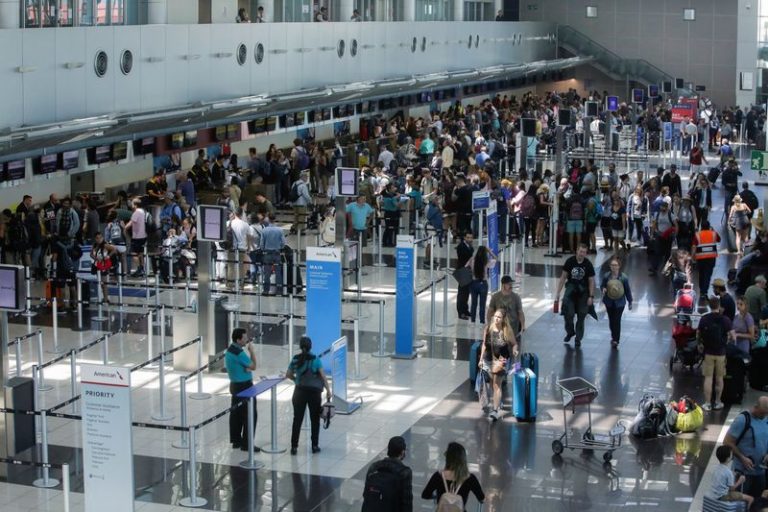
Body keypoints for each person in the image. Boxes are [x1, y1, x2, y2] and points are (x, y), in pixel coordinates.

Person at [286, 336, 332, 455]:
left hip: (299, 392)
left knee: (297, 419)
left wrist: (296, 380)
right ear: (311, 346)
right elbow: (323, 377)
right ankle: (314, 446)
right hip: (314, 393)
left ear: (300, 347)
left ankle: (294, 447)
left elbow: (288, 374)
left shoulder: (295, 359)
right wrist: (328, 390)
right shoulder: (315, 360)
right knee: (314, 420)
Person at [724, 396, 768, 498]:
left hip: (761, 471)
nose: (764, 416)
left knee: (757, 503)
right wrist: (742, 458)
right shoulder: (743, 420)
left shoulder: (766, 418)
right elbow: (727, 442)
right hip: (742, 473)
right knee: (740, 502)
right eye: (762, 413)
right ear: (755, 407)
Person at [479, 309, 519, 420]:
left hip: (501, 361)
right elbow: (484, 345)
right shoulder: (488, 329)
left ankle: (495, 410)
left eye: (499, 317)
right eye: (495, 316)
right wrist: (481, 359)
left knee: (497, 384)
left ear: (503, 319)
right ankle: (497, 402)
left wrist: (515, 350)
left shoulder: (506, 331)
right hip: (488, 360)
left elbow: (514, 344)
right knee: (493, 384)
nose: (496, 318)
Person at [698, 296, 735, 411]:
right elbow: (733, 336)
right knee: (719, 378)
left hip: (708, 353)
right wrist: (728, 341)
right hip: (721, 353)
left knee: (708, 378)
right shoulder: (726, 320)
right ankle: (718, 402)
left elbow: (698, 334)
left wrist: (701, 344)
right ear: (719, 306)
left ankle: (707, 403)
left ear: (709, 306)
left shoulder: (704, 319)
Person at [555, 243, 596, 348]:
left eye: (584, 252)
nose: (582, 254)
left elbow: (591, 281)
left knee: (582, 315)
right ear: (577, 251)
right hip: (571, 290)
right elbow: (563, 277)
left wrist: (591, 296)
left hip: (584, 292)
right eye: (580, 251)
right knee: (568, 313)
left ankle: (578, 338)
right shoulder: (570, 261)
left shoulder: (588, 264)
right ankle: (570, 332)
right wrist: (557, 293)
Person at [421, 442, 485, 509]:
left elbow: (425, 495)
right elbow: (481, 498)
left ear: (448, 458)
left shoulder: (438, 476)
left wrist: (437, 496)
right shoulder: (470, 478)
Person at [225, 328, 259, 452]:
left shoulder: (230, 350)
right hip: (245, 387)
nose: (247, 340)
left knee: (236, 414)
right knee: (251, 415)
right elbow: (254, 366)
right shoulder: (239, 353)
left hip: (234, 385)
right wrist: (252, 351)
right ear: (238, 340)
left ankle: (236, 440)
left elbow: (243, 367)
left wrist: (246, 368)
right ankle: (247, 444)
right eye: (244, 338)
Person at [362, 436, 413, 512]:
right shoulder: (404, 472)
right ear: (402, 452)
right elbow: (406, 503)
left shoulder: (374, 466)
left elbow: (366, 494)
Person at [600, 257, 633, 348]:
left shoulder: (623, 278)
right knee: (611, 320)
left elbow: (627, 290)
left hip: (620, 303)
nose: (613, 267)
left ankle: (616, 340)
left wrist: (630, 301)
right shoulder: (607, 276)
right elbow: (602, 285)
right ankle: (613, 336)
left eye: (615, 265)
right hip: (609, 301)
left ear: (619, 266)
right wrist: (603, 289)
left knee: (617, 320)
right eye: (612, 265)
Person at [486, 275, 525, 340]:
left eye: (511, 284)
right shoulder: (495, 297)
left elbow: (520, 312)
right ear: (503, 285)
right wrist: (489, 324)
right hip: (500, 327)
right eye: (509, 284)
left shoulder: (516, 297)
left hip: (513, 328)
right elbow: (490, 311)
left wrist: (523, 326)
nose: (511, 286)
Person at [465, 245, 496, 324]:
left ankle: (473, 321)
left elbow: (465, 267)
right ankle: (482, 322)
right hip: (483, 284)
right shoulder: (486, 261)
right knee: (482, 305)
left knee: (473, 304)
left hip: (473, 283)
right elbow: (496, 259)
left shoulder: (472, 259)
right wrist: (489, 251)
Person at [692, 220, 720, 299]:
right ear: (709, 226)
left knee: (701, 274)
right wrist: (713, 230)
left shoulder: (697, 235)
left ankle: (702, 290)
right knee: (707, 275)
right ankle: (704, 292)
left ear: (701, 227)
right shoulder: (713, 234)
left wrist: (692, 257)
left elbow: (694, 247)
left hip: (700, 259)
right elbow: (719, 239)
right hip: (711, 259)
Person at [259, 215, 285, 295]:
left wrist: (264, 249)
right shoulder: (280, 230)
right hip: (277, 254)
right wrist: (279, 247)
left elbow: (261, 244)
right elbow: (283, 243)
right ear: (275, 219)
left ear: (268, 220)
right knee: (278, 273)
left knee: (267, 273)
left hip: (267, 254)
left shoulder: (264, 230)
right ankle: (279, 290)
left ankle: (266, 290)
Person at [125, 198, 147, 277]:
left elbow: (130, 223)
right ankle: (142, 269)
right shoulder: (143, 211)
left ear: (135, 205)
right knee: (140, 253)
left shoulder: (136, 212)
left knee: (133, 253)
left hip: (137, 236)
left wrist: (124, 227)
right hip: (143, 236)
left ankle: (139, 268)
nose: (131, 205)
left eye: (132, 203)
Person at [455, 232, 474, 320]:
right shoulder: (461, 247)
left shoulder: (470, 247)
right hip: (462, 271)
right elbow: (463, 258)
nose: (469, 239)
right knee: (462, 293)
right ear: (464, 238)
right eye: (468, 237)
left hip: (468, 271)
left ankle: (465, 310)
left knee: (466, 292)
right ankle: (461, 312)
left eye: (471, 238)